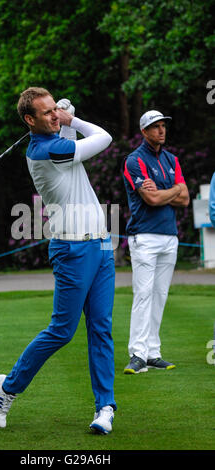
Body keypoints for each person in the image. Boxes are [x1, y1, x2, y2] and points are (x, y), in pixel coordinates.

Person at [0, 87, 117, 434]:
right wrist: (71, 118)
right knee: (62, 330)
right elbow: (102, 137)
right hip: (72, 249)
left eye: (53, 109)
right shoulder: (46, 150)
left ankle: (105, 407)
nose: (53, 116)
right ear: (29, 120)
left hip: (101, 245)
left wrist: (62, 118)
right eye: (46, 114)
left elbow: (68, 137)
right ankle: (6, 389)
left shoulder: (56, 141)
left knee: (101, 328)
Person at [123, 110, 189, 374]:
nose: (161, 130)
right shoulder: (134, 160)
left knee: (160, 295)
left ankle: (152, 352)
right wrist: (173, 190)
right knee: (143, 294)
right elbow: (150, 200)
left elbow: (184, 198)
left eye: (163, 126)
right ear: (144, 131)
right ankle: (137, 355)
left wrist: (165, 192)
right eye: (155, 127)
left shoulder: (172, 159)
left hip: (169, 236)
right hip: (144, 236)